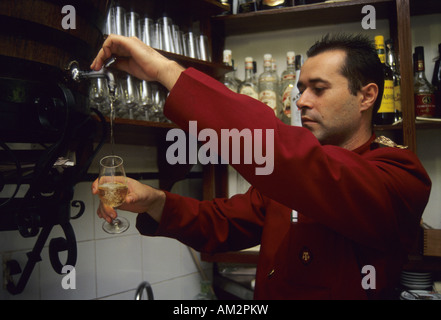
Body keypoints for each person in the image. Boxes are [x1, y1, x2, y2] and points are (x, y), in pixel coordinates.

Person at [91, 33, 431, 299]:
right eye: (300, 89)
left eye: (318, 89)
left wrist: (165, 71)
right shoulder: (290, 178)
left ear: (367, 96)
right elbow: (221, 222)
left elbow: (293, 158)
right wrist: (155, 201)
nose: (301, 101)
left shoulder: (400, 176)